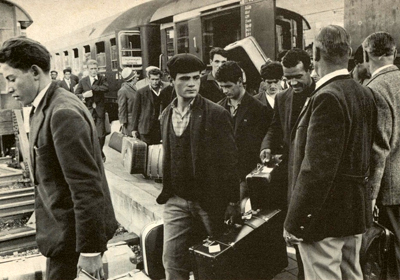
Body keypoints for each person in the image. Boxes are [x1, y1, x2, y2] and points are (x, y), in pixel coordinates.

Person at [0, 37, 118, 280]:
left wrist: (90, 251)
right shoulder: (46, 106)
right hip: (64, 237)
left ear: (34, 72)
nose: (8, 88)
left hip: (74, 245)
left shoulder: (62, 112)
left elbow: (86, 186)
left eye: (11, 79)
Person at [284, 25, 376, 280]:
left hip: (324, 219)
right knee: (351, 275)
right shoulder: (364, 93)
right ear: (348, 53)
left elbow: (316, 170)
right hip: (353, 214)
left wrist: (296, 221)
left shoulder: (326, 97)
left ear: (315, 53)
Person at [157, 53, 239, 280]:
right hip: (176, 200)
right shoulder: (165, 115)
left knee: (218, 260)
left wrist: (233, 201)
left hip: (209, 200)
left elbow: (230, 161)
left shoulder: (216, 114)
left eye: (196, 78)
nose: (192, 84)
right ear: (171, 80)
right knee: (172, 261)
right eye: (184, 78)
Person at [259, 48, 316, 280]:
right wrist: (267, 146)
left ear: (310, 70)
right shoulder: (283, 98)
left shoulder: (323, 93)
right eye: (288, 78)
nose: (292, 82)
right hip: (291, 178)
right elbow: (275, 127)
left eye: (297, 77)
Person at [363, 31, 400, 279]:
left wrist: (370, 197)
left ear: (367, 55)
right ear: (394, 52)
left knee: (393, 253)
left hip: (390, 188)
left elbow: (379, 148)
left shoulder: (375, 89)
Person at [216, 61, 269, 199]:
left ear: (240, 81)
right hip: (223, 176)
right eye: (221, 87)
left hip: (246, 175)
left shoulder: (258, 108)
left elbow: (257, 146)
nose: (224, 91)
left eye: (228, 86)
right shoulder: (218, 108)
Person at [75, 59, 108, 162]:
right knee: (89, 133)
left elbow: (106, 88)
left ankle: (100, 152)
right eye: (91, 69)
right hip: (88, 111)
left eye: (95, 69)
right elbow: (75, 95)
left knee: (100, 135)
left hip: (99, 110)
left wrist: (94, 87)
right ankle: (95, 154)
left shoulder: (102, 79)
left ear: (98, 69)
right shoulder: (83, 81)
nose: (94, 71)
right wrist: (84, 95)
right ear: (88, 70)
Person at [134, 68, 171, 144]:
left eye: (157, 79)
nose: (155, 82)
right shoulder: (141, 92)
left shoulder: (167, 90)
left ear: (160, 78)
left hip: (161, 127)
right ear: (148, 79)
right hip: (146, 127)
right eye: (152, 79)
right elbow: (136, 111)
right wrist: (134, 129)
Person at [254, 61, 283, 126]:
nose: (272, 86)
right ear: (263, 81)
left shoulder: (288, 98)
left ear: (281, 79)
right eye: (269, 82)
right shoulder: (255, 101)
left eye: (276, 82)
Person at [117, 67, 139, 136]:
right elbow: (122, 108)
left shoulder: (136, 87)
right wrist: (122, 123)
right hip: (130, 122)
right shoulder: (123, 90)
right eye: (135, 77)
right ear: (132, 78)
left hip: (137, 119)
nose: (137, 78)